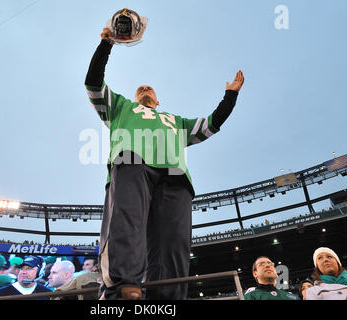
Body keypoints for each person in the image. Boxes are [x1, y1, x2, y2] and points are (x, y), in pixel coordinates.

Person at [85, 27, 244, 301]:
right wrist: (106, 44)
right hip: (131, 159)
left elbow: (211, 124)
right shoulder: (120, 107)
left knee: (172, 242)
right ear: (137, 99)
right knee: (127, 222)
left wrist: (230, 95)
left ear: (158, 101)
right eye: (140, 88)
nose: (145, 88)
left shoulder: (176, 121)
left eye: (149, 89)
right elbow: (93, 82)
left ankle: (166, 298)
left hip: (175, 174)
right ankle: (122, 287)